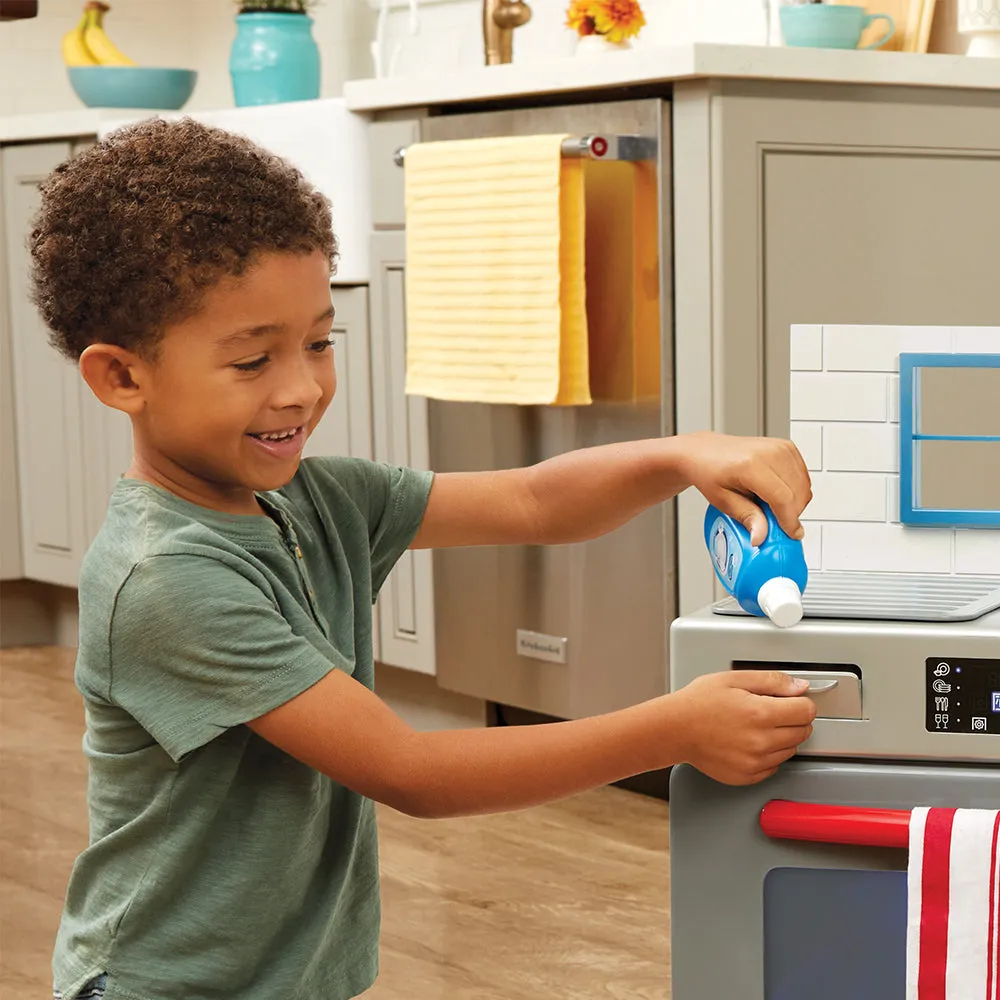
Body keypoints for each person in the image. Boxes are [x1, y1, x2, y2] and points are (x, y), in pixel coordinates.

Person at [31, 118, 816, 1000]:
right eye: (253, 359)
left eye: (319, 342)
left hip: (292, 976)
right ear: (121, 379)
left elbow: (534, 501)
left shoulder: (318, 499)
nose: (301, 387)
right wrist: (675, 729)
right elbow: (416, 774)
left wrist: (682, 455)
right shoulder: (168, 577)